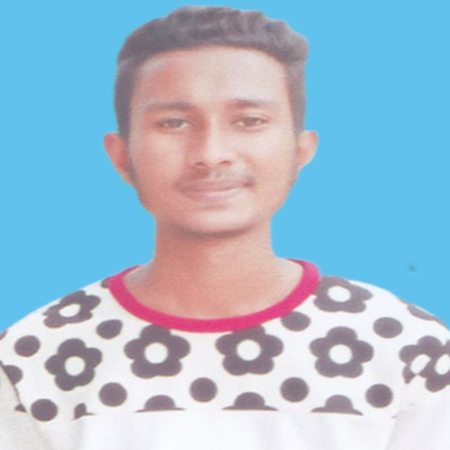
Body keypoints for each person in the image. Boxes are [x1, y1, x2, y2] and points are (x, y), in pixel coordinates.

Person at [1, 6, 449, 450]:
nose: (211, 153)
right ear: (121, 154)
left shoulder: (408, 349)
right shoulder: (31, 357)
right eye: (174, 123)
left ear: (301, 149)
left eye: (250, 121)